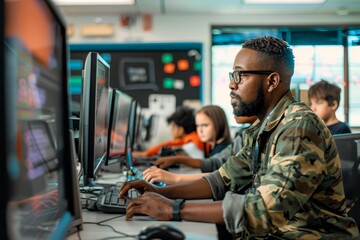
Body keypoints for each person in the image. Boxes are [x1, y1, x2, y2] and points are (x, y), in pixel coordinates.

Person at [119, 36, 359, 239]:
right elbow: (221, 180)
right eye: (232, 75)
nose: (232, 85)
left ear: (272, 81)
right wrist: (161, 192)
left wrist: (173, 210)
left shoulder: (298, 127)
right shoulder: (262, 129)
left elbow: (267, 210)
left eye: (240, 76)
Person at [142, 116, 256, 185]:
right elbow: (215, 163)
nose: (200, 130)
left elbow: (227, 175)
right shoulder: (243, 135)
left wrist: (174, 178)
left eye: (205, 125)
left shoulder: (240, 140)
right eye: (198, 126)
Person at [132, 105, 205, 158]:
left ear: (181, 130)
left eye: (173, 127)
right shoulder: (195, 137)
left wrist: (144, 153)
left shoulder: (189, 143)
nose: (171, 130)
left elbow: (167, 145)